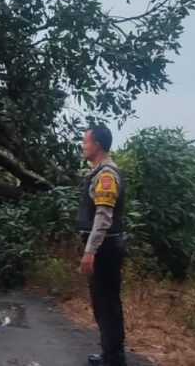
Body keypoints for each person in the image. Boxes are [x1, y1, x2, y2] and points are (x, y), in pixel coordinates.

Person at [77, 124, 127, 366]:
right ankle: (110, 353)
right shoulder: (98, 172)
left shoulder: (106, 175)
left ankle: (114, 357)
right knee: (103, 303)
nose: (83, 146)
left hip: (105, 249)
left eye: (85, 142)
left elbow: (103, 218)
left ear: (96, 145)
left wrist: (90, 251)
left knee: (107, 305)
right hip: (103, 247)